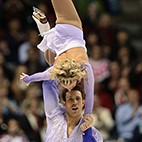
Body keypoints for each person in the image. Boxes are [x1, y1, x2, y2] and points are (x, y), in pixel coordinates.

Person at [20, 0, 94, 116]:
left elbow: (90, 95)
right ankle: (45, 31)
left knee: (49, 59)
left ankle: (45, 31)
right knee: (49, 59)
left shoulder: (85, 67)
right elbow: (41, 75)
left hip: (70, 29)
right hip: (57, 42)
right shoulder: (57, 69)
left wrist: (87, 114)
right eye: (71, 87)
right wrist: (28, 79)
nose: (70, 90)